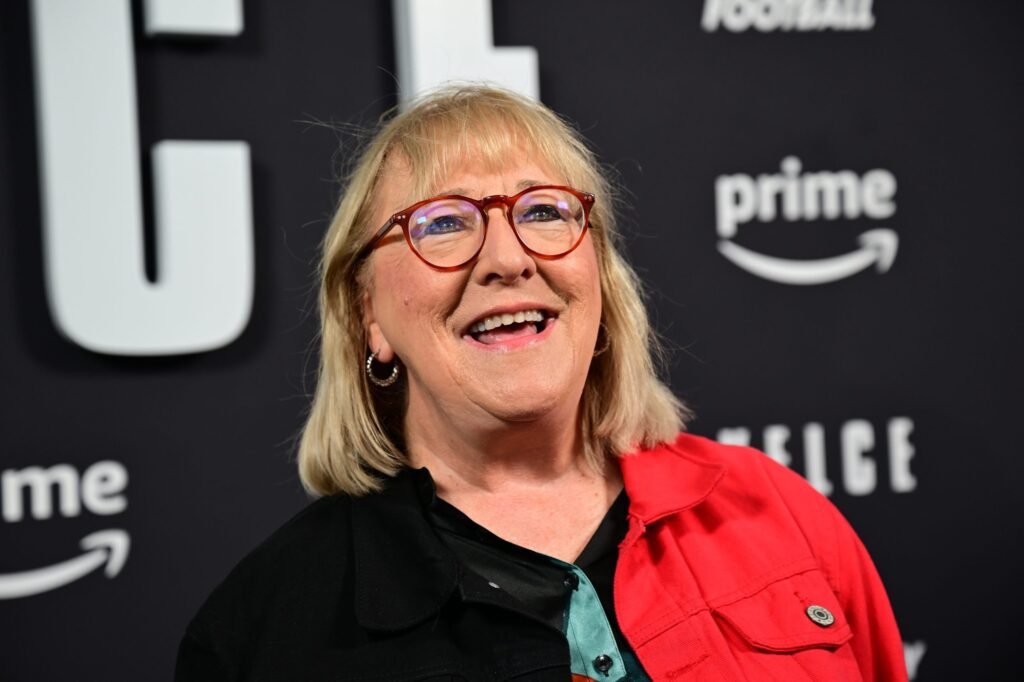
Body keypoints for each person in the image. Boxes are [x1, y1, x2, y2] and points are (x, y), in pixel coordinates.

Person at [175, 85, 907, 681]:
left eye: (544, 211)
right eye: (442, 223)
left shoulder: (773, 510)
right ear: (368, 314)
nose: (507, 258)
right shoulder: (260, 631)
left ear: (600, 279)